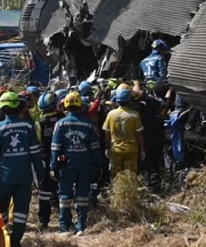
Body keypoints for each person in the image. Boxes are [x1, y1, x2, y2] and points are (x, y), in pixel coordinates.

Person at [0, 92, 45, 247]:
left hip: (4, 179)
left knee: (0, 215)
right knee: (20, 215)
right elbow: (36, 154)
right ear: (19, 106)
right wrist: (40, 174)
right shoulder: (29, 127)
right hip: (24, 179)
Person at [51, 91, 103, 235]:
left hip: (67, 165)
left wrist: (53, 165)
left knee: (65, 196)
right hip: (85, 164)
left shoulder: (60, 124)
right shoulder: (89, 124)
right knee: (82, 195)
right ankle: (81, 226)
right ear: (80, 105)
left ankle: (64, 227)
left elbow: (55, 147)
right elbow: (95, 146)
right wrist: (98, 163)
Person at [35, 92, 63, 231]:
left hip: (45, 161)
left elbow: (37, 142)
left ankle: (44, 221)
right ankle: (65, 219)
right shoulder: (63, 118)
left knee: (44, 192)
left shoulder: (40, 123)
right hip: (62, 159)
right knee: (62, 190)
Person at [103, 86, 144, 179]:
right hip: (131, 149)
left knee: (116, 175)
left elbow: (107, 133)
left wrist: (107, 147)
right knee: (130, 175)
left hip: (116, 149)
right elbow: (139, 134)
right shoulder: (134, 115)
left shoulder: (111, 114)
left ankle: (116, 188)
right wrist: (142, 149)